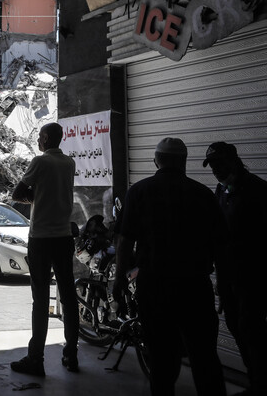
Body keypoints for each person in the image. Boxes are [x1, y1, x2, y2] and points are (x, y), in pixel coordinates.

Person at [114, 138, 227, 396]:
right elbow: (221, 246)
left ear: (156, 160)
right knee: (204, 358)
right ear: (184, 162)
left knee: (162, 361)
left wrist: (119, 280)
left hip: (154, 288)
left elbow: (124, 241)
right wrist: (224, 285)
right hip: (195, 288)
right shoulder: (203, 194)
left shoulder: (139, 192)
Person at [10, 122, 79, 376]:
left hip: (41, 237)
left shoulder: (40, 162)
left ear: (47, 138)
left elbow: (18, 193)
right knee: (68, 296)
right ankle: (71, 353)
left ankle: (35, 358)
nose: (38, 140)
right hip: (63, 236)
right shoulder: (69, 163)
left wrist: (34, 196)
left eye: (40, 136)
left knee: (40, 299)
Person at [203, 141, 265, 395]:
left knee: (252, 331)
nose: (216, 169)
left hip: (253, 277)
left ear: (234, 161)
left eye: (220, 163)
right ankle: (256, 381)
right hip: (229, 278)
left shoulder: (257, 190)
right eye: (212, 165)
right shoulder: (220, 191)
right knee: (237, 328)